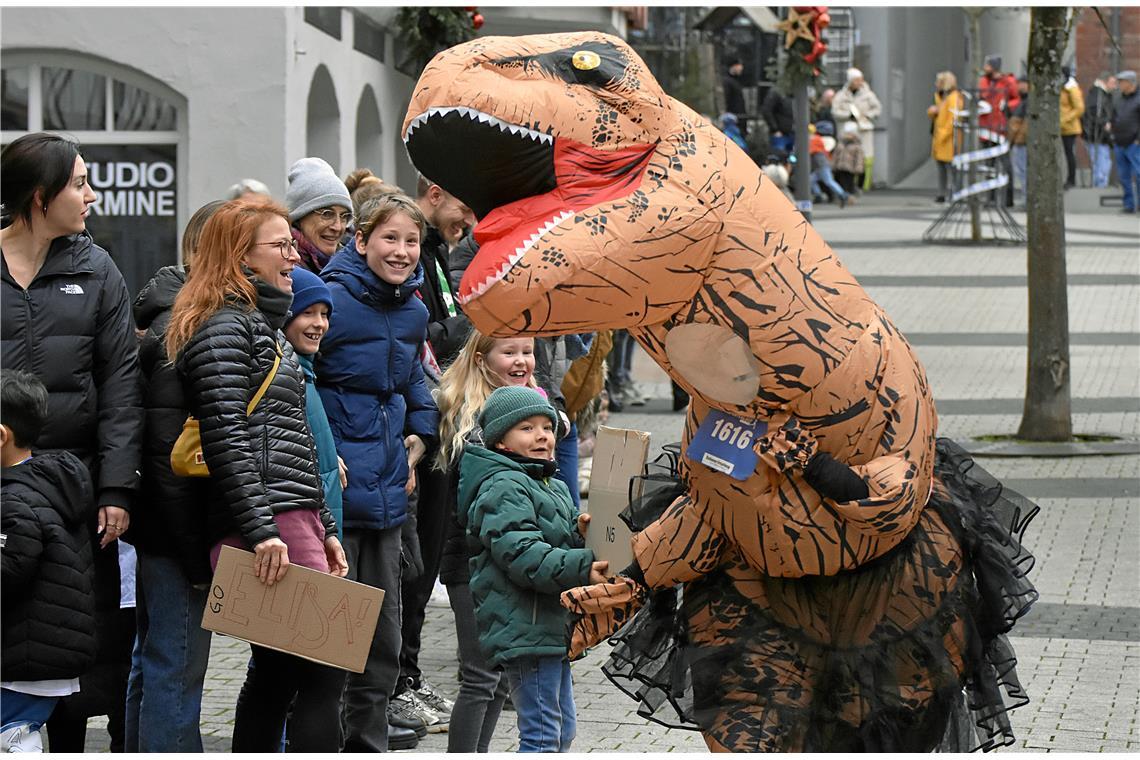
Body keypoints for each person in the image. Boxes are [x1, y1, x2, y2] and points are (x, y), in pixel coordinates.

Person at [165, 197, 348, 752]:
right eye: (282, 245)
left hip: (291, 516)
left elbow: (292, 441)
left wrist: (327, 528)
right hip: (268, 520)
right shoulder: (224, 326)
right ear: (241, 257)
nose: (295, 256)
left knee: (280, 671)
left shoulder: (255, 324)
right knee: (322, 668)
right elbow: (225, 438)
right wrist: (264, 529)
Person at [0, 132, 143, 753]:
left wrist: (115, 487)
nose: (91, 195)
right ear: (40, 196)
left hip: (74, 492)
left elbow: (120, 386)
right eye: (80, 183)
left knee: (76, 646)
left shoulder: (96, 268)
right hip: (4, 486)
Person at [315, 193, 439, 752]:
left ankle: (369, 743)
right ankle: (326, 738)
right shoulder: (328, 299)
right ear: (360, 241)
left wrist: (420, 433)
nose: (402, 251)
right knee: (334, 630)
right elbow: (303, 377)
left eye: (411, 241)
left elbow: (414, 376)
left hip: (389, 485)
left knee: (384, 635)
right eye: (389, 238)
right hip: (338, 491)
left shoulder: (413, 309)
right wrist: (322, 452)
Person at [124, 199, 225, 753]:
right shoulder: (181, 330)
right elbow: (172, 460)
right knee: (176, 664)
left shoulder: (187, 319)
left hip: (169, 528)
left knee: (156, 660)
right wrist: (193, 555)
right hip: (177, 532)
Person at [457, 385, 607, 753]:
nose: (542, 435)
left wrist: (581, 531)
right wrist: (585, 565)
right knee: (541, 736)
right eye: (527, 428)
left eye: (547, 426)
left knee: (562, 732)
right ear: (501, 442)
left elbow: (555, 536)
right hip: (524, 628)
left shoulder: (548, 482)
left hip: (550, 626)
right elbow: (525, 557)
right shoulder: (502, 486)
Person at [391, 176, 478, 735]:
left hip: (436, 429)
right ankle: (393, 684)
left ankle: (408, 677)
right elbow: (426, 338)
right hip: (402, 446)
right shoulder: (416, 257)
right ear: (436, 191)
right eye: (464, 208)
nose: (467, 224)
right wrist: (466, 323)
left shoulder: (436, 255)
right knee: (407, 568)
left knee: (422, 569)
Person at [436, 331, 545, 752]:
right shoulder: (471, 419)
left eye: (528, 352)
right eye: (510, 352)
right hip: (472, 559)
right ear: (481, 359)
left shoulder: (526, 400)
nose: (522, 361)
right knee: (481, 676)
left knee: (500, 677)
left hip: (504, 556)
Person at [1, 371, 96, 753]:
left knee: (13, 741)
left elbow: (7, 574)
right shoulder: (46, 485)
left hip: (21, 662)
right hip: (36, 657)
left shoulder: (13, 502)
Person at [282, 267, 344, 540]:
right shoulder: (289, 379)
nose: (320, 323)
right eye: (307, 313)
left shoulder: (306, 376)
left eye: (325, 314)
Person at [285, 156, 353, 274]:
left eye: (344, 216)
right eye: (327, 214)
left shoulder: (344, 265)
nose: (337, 227)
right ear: (299, 217)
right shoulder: (286, 269)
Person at [977, 55, 1020, 207]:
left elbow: (1017, 99)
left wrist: (1007, 106)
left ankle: (1008, 198)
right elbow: (980, 97)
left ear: (994, 67)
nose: (985, 68)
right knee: (989, 164)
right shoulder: (983, 81)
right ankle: (990, 197)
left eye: (988, 65)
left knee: (1005, 163)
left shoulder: (1007, 82)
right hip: (986, 127)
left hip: (1000, 129)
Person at [831, 68, 881, 191]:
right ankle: (848, 185)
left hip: (863, 130)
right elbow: (835, 111)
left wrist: (867, 115)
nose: (860, 82)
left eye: (860, 80)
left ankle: (863, 184)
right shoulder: (841, 96)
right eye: (856, 80)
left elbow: (877, 109)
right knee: (846, 158)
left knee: (864, 157)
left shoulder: (868, 95)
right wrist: (848, 115)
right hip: (847, 131)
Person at [927, 71, 966, 203]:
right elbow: (939, 114)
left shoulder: (954, 98)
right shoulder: (941, 97)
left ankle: (955, 193)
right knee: (941, 167)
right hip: (939, 137)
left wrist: (943, 134)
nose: (936, 84)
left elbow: (953, 119)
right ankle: (942, 193)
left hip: (949, 138)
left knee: (952, 168)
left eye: (938, 82)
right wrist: (932, 112)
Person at [1112, 70, 1140, 214]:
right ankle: (1129, 205)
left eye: (1122, 82)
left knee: (1139, 174)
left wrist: (1138, 140)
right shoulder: (1119, 98)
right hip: (1119, 142)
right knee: (1124, 176)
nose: (1119, 85)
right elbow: (1114, 116)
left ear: (1130, 83)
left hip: (1134, 144)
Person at [1084, 74, 1117, 188]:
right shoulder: (1097, 95)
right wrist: (1104, 123)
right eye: (1113, 83)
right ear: (1105, 81)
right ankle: (1099, 187)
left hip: (1102, 137)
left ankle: (1101, 185)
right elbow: (1093, 114)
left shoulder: (1103, 95)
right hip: (1097, 136)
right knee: (1101, 164)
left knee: (1104, 163)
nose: (1115, 86)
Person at [808, 123, 847, 208]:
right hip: (819, 165)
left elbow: (810, 151)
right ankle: (818, 196)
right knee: (810, 180)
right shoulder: (813, 139)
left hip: (822, 164)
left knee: (828, 181)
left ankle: (842, 195)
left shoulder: (815, 139)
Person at [1059, 65, 1085, 189]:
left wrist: (1064, 120)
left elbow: (1079, 108)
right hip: (1059, 126)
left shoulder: (1072, 88)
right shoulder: (1059, 88)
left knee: (1069, 153)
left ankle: (1071, 179)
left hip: (1069, 127)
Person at [1008, 77, 1031, 207]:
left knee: (1023, 171)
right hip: (1020, 141)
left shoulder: (1027, 102)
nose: (1019, 87)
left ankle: (1026, 198)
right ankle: (1026, 198)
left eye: (1021, 84)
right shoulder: (1023, 101)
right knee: (1022, 171)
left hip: (1021, 142)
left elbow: (1022, 124)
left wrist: (1016, 139)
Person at [831, 121, 865, 198]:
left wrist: (858, 167)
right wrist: (833, 165)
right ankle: (842, 195)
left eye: (850, 134)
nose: (848, 136)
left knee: (848, 182)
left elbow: (859, 158)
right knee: (839, 181)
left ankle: (849, 195)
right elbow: (835, 155)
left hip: (850, 168)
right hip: (839, 167)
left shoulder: (857, 146)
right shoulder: (840, 143)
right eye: (847, 133)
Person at [761, 85, 795, 155]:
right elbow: (766, 110)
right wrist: (775, 129)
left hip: (793, 133)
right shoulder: (777, 92)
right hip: (780, 134)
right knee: (779, 156)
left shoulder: (797, 93)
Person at [722, 58, 747, 137]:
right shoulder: (728, 82)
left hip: (738, 120)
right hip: (733, 120)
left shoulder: (735, 82)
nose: (741, 68)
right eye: (739, 65)